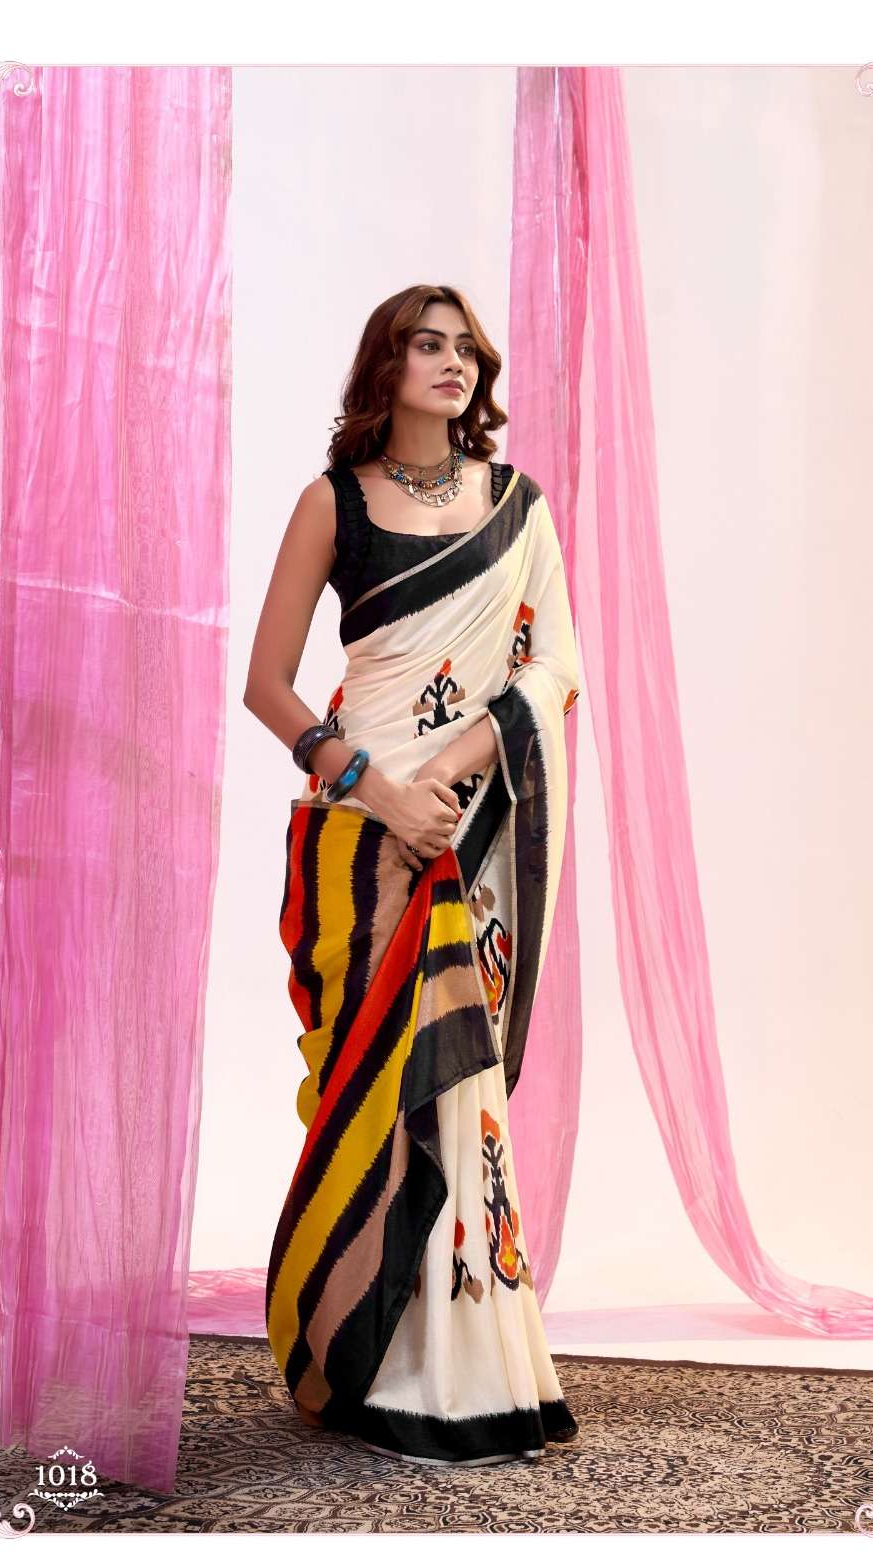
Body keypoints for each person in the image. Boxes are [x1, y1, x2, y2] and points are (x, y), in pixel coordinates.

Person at [242, 284, 583, 1465]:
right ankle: (368, 1356)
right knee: (371, 1089)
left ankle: (469, 1362)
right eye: (425, 345)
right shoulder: (331, 501)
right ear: (384, 366)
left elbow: (552, 667)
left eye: (465, 348)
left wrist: (445, 769)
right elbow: (268, 685)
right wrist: (378, 787)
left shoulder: (518, 506)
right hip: (362, 840)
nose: (452, 363)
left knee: (455, 1087)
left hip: (470, 830)